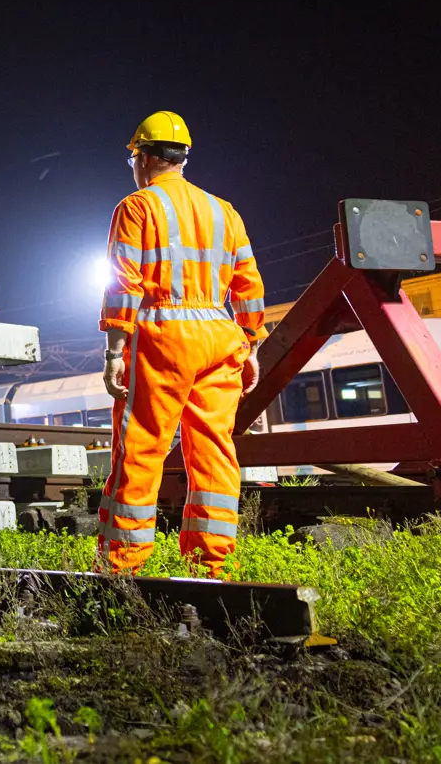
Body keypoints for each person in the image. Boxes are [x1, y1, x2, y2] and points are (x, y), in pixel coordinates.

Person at [98, 111, 266, 578]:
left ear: (145, 158)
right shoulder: (224, 211)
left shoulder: (138, 207)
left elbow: (123, 284)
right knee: (214, 452)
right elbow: (249, 285)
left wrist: (114, 351)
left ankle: (120, 570)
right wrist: (251, 344)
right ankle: (212, 569)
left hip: (163, 339)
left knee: (140, 450)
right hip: (220, 337)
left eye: (134, 157)